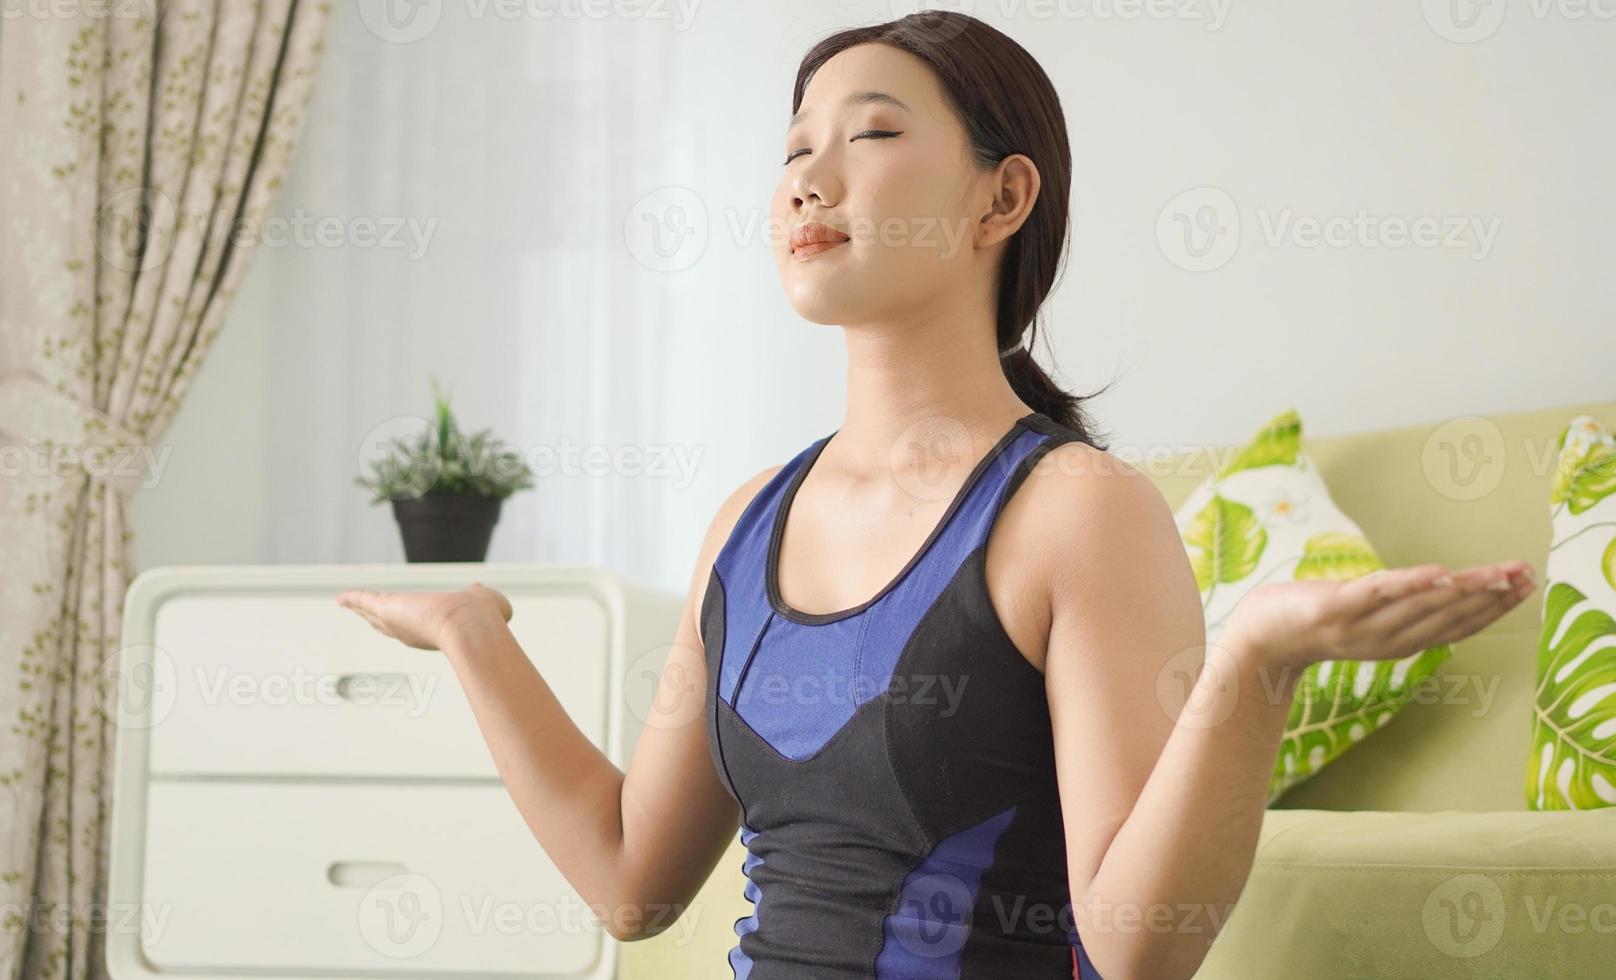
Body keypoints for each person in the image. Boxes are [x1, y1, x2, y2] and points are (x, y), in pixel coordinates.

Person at [337, 12, 1535, 978]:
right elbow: (629, 882)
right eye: (792, 146)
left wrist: (1253, 662)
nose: (806, 178)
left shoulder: (1077, 509)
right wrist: (471, 634)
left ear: (998, 200)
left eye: (866, 136)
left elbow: (1136, 949)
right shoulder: (746, 520)